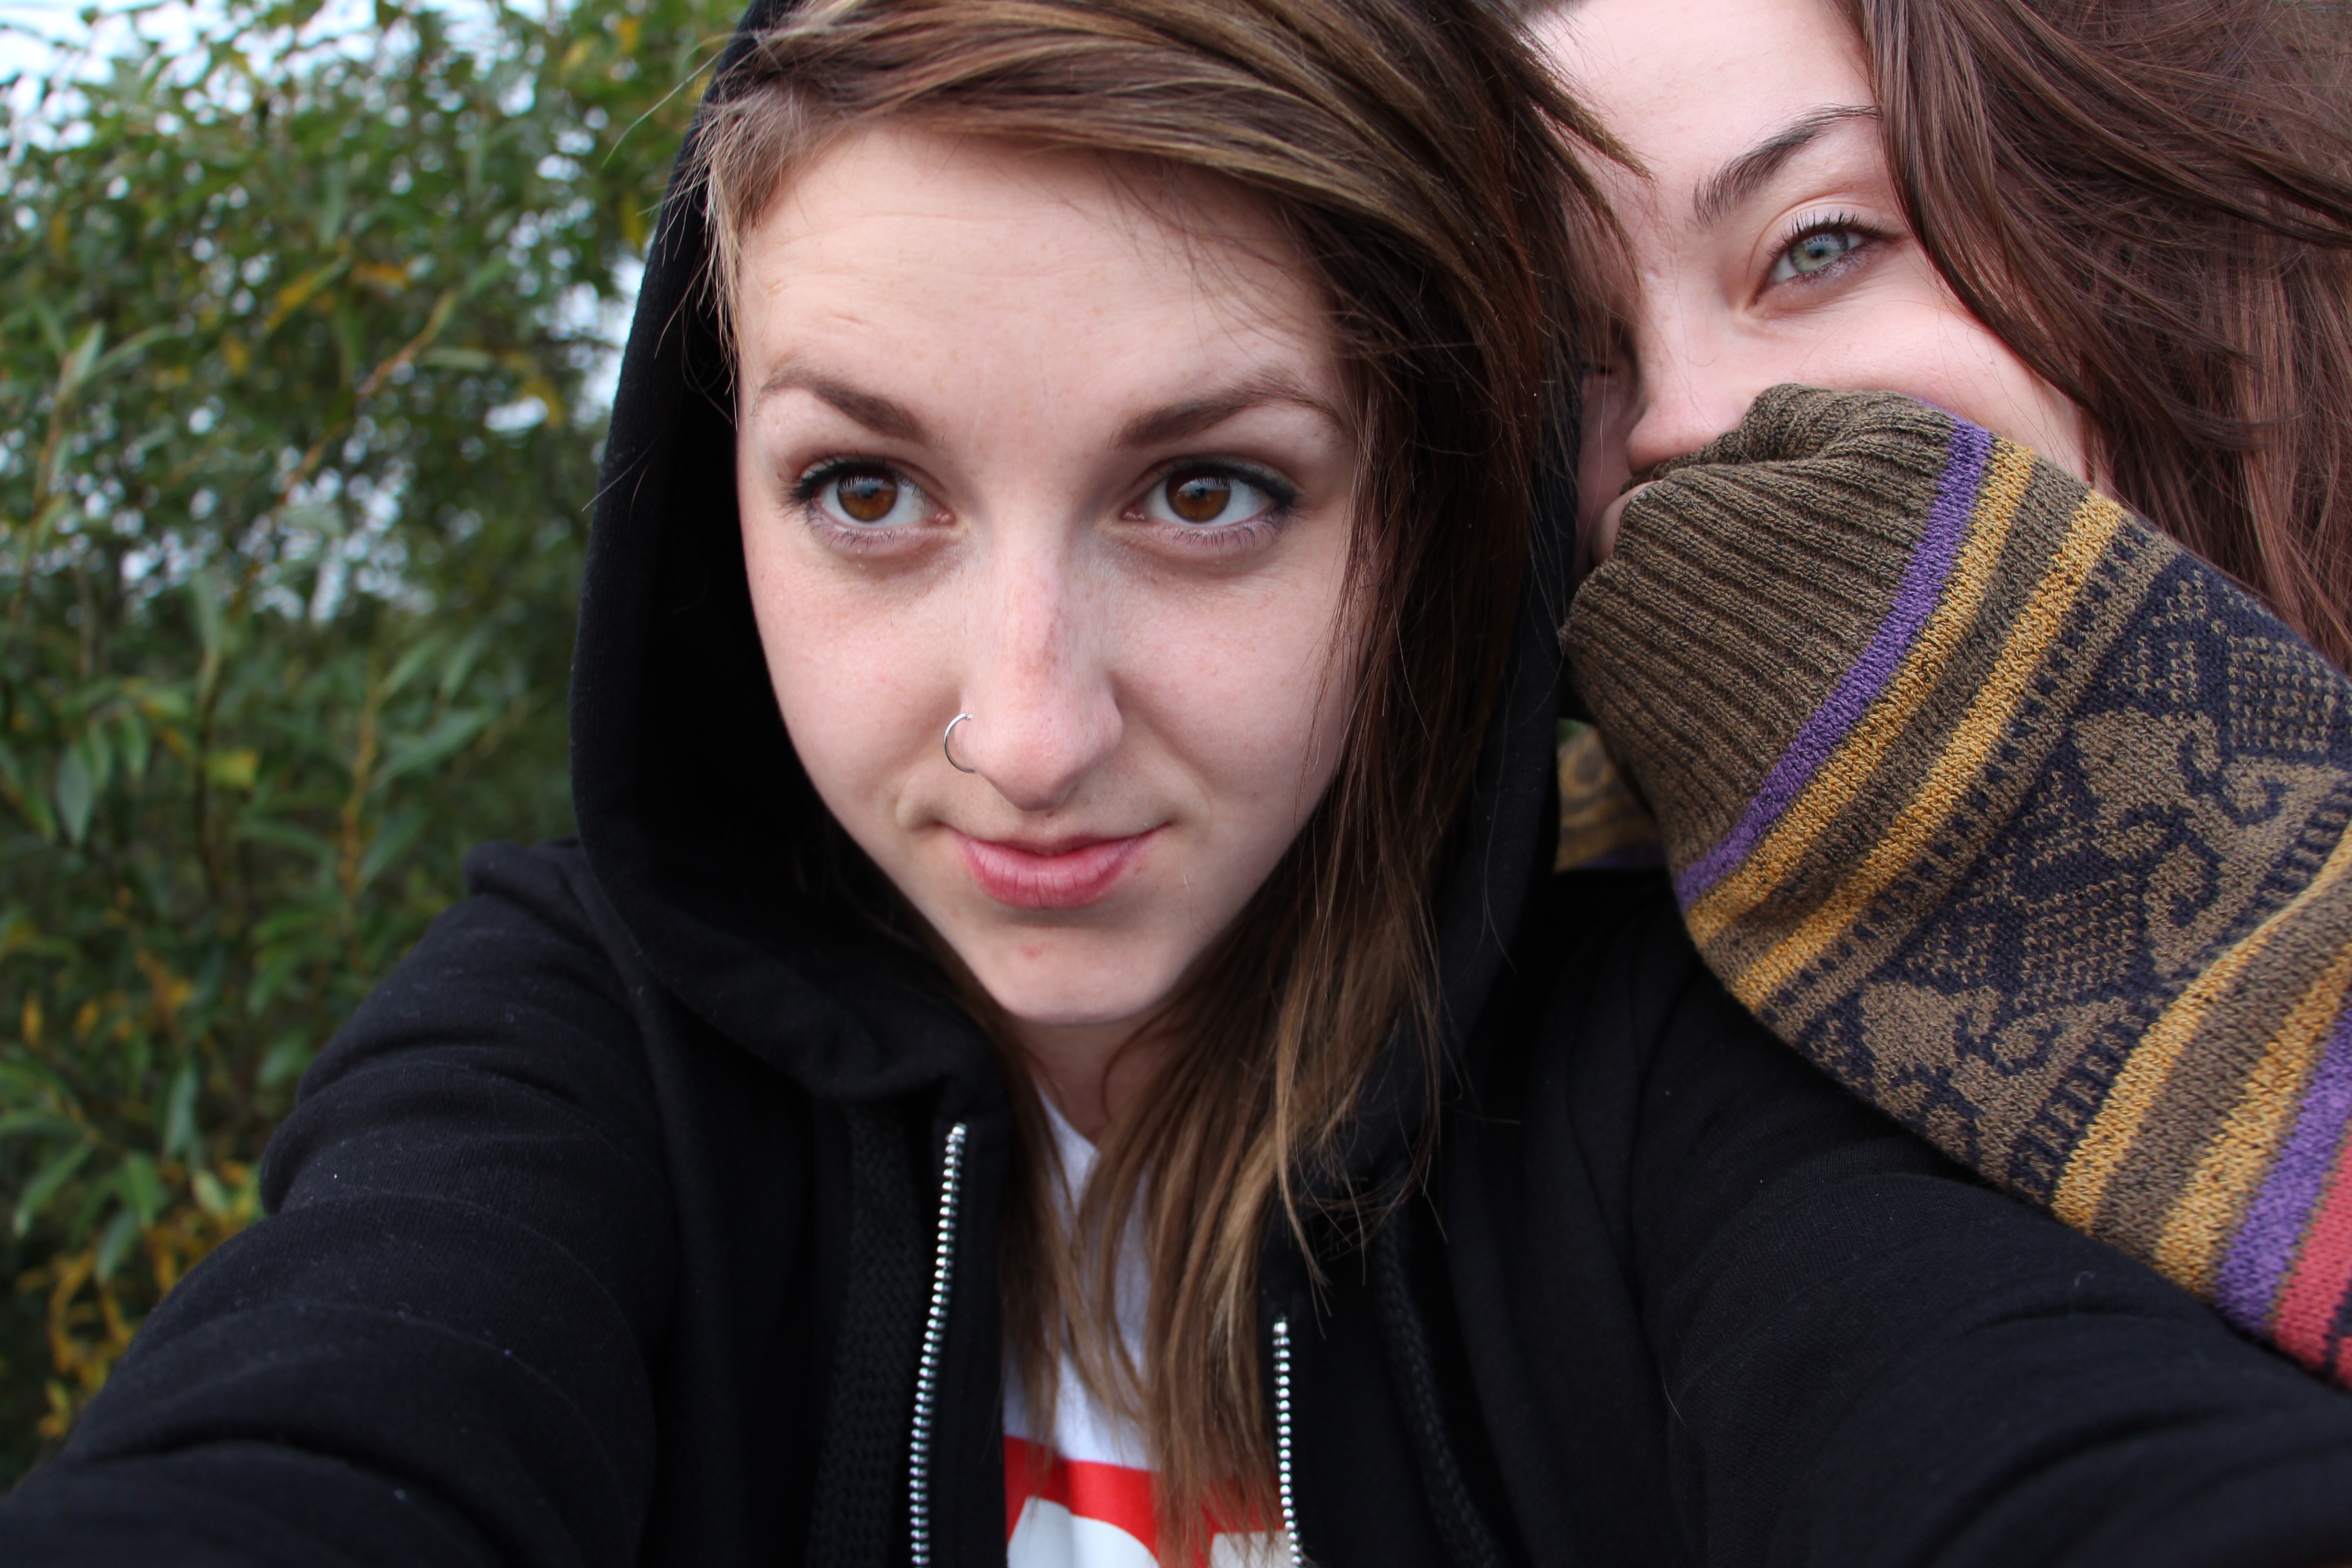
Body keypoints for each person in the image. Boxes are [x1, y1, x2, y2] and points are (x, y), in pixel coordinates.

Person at [10, 1, 2352, 1565]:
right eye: (863, 490)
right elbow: (321, 1423)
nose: (1025, 731)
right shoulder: (575, 1052)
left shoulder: (1650, 1082)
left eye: (1208, 491)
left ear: (1425, 524)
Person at [1526, 0, 2352, 1384]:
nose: (1678, 420)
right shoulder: (1581, 1043)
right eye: (1580, 362)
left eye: (1819, 246)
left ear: (2113, 230)